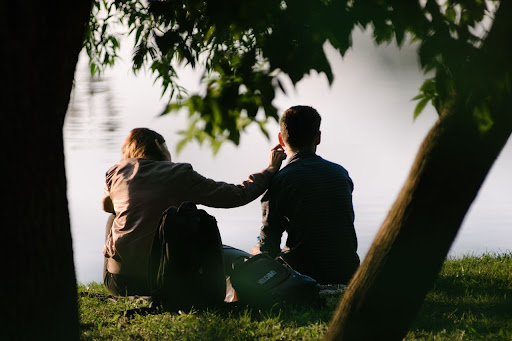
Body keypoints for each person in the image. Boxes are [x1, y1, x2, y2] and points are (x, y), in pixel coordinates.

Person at [102, 128, 286, 296]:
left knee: (114, 217)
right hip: (165, 282)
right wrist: (269, 170)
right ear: (158, 144)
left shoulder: (116, 172)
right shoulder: (178, 173)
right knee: (190, 219)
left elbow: (107, 205)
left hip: (119, 283)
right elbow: (236, 195)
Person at [255, 105, 360, 285]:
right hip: (347, 271)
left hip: (304, 274)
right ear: (318, 137)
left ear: (281, 139)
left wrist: (258, 251)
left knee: (256, 251)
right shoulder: (340, 173)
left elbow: (269, 247)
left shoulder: (280, 180)